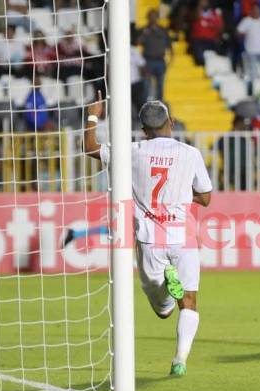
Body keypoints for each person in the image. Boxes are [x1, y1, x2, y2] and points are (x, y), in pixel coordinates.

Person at [83, 94, 212, 376]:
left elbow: (90, 147)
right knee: (188, 301)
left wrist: (93, 115)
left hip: (150, 239)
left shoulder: (132, 150)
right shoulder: (191, 154)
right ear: (172, 122)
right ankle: (180, 359)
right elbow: (205, 197)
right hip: (184, 235)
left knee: (162, 309)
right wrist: (180, 197)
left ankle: (167, 284)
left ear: (143, 130)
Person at [138, 9, 173, 101]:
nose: (152, 19)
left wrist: (171, 59)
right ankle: (146, 104)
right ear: (147, 18)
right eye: (150, 17)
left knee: (160, 85)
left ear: (157, 18)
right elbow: (136, 43)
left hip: (160, 60)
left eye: (154, 17)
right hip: (148, 61)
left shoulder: (163, 30)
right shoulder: (143, 30)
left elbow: (169, 45)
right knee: (146, 86)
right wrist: (144, 34)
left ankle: (159, 103)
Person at [237, 3, 260, 80]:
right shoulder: (246, 21)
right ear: (251, 11)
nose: (256, 12)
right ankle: (254, 88)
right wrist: (242, 35)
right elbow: (238, 32)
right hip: (250, 51)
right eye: (254, 10)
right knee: (253, 73)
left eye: (257, 10)